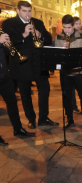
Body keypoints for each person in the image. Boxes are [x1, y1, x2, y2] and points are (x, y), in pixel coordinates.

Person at [2, 1, 58, 129]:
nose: (28, 14)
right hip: (22, 65)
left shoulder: (37, 22)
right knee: (25, 94)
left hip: (39, 64)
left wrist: (41, 35)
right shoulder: (9, 24)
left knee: (45, 90)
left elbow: (48, 38)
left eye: (29, 11)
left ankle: (43, 117)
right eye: (24, 11)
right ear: (18, 11)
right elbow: (8, 44)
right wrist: (24, 35)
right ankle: (31, 119)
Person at [54, 15, 82, 129]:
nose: (67, 30)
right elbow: (56, 55)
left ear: (73, 26)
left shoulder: (81, 35)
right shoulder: (59, 37)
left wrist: (72, 52)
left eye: (69, 28)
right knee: (67, 97)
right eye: (65, 28)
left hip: (80, 72)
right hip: (66, 73)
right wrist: (62, 50)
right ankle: (69, 120)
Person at [0, 29, 35, 143]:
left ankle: (18, 128)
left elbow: (6, 53)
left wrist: (7, 45)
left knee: (12, 103)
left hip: (4, 74)